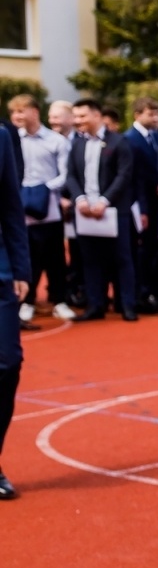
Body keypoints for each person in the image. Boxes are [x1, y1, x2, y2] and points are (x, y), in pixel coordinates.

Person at [64, 100, 137, 322]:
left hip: (113, 211)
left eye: (82, 116)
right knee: (90, 260)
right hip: (85, 212)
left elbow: (124, 175)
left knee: (122, 259)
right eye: (75, 117)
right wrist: (80, 199)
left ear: (97, 116)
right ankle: (95, 305)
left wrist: (105, 201)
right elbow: (71, 175)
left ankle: (127, 305)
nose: (78, 121)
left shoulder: (119, 141)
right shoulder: (77, 144)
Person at [11, 95, 73, 322]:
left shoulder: (56, 141)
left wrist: (43, 190)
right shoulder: (12, 139)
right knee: (28, 258)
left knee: (55, 257)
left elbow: (65, 175)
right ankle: (27, 301)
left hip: (50, 210)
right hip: (21, 211)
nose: (17, 116)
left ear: (35, 112)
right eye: (14, 112)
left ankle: (59, 300)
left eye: (21, 111)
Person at [0, 89, 29, 498]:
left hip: (0, 272)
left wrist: (21, 267)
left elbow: (10, 205)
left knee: (8, 364)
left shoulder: (2, 136)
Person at [124, 96, 158, 314]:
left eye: (156, 113)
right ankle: (139, 294)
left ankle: (152, 290)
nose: (155, 117)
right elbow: (134, 176)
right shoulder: (129, 139)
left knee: (155, 248)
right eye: (150, 113)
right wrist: (140, 207)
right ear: (137, 115)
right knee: (141, 250)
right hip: (139, 203)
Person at [48, 101, 85, 310]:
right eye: (51, 117)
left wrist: (75, 198)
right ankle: (57, 291)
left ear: (70, 119)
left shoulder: (81, 141)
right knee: (53, 251)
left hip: (78, 204)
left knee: (79, 250)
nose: (53, 121)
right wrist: (58, 199)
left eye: (57, 117)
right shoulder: (43, 140)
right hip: (51, 204)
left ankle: (78, 289)